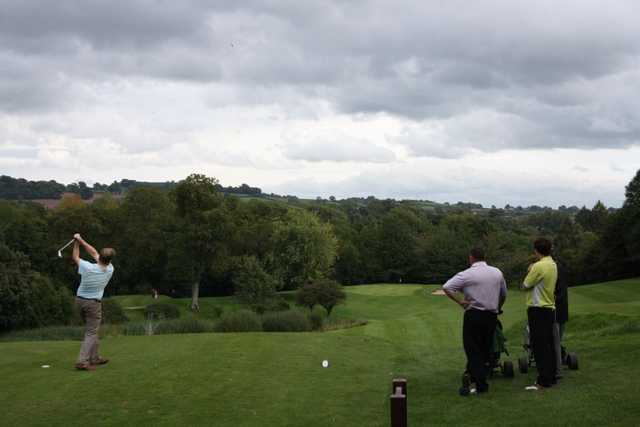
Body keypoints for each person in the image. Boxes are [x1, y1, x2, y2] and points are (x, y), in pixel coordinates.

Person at [442, 247, 507, 396]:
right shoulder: (497, 272)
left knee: (472, 348)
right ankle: (471, 374)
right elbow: (503, 294)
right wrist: (498, 308)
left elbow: (447, 287)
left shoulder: (466, 274)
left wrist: (460, 302)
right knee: (484, 348)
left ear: (471, 258)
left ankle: (480, 385)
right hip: (491, 315)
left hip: (474, 314)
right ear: (484, 257)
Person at [71, 233, 116, 371]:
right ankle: (82, 361)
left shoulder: (87, 267)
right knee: (91, 332)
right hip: (93, 304)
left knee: (92, 330)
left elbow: (75, 257)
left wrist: (77, 242)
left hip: (79, 302)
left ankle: (94, 358)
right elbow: (94, 252)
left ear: (100, 257)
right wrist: (80, 240)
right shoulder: (110, 269)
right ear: (109, 259)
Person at [521, 238, 557, 390]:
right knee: (549, 344)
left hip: (537, 309)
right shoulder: (553, 263)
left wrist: (529, 270)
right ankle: (551, 376)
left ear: (536, 251)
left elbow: (525, 285)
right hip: (549, 308)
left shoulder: (538, 266)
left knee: (539, 346)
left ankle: (543, 381)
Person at [554, 259, 569, 379]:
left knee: (555, 342)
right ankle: (558, 364)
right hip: (562, 310)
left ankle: (557, 370)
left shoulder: (554, 269)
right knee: (557, 341)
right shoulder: (561, 267)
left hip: (554, 310)